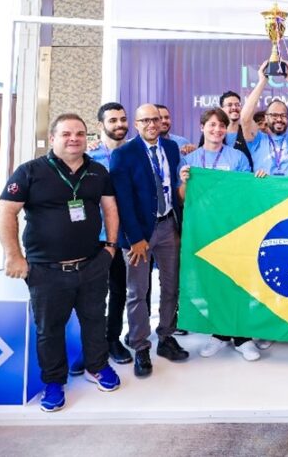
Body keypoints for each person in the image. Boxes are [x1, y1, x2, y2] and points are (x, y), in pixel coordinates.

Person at [0, 113, 121, 412]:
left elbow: (110, 209)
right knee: (50, 329)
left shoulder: (97, 171)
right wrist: (14, 256)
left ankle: (97, 366)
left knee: (95, 320)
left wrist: (111, 247)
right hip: (46, 270)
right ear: (53, 138)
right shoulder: (30, 171)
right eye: (66, 134)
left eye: (79, 133)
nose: (73, 139)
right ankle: (54, 382)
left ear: (87, 138)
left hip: (91, 264)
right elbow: (5, 212)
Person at [179, 107, 268, 361]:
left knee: (237, 280)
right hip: (204, 229)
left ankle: (242, 336)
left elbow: (246, 192)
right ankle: (219, 333)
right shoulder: (190, 160)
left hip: (233, 228)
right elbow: (182, 198)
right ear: (202, 128)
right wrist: (185, 182)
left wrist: (258, 180)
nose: (217, 130)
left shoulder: (237, 157)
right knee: (211, 281)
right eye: (212, 125)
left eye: (221, 125)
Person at [110, 103, 189, 379]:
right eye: (145, 120)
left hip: (168, 226)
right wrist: (135, 238)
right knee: (137, 291)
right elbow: (123, 200)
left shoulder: (171, 148)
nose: (152, 124)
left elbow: (173, 188)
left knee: (171, 286)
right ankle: (140, 345)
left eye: (155, 119)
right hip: (139, 234)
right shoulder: (123, 154)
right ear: (136, 124)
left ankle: (166, 336)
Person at [83, 102, 133, 367]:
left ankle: (113, 339)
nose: (119, 124)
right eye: (112, 120)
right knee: (91, 293)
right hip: (93, 236)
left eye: (122, 119)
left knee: (119, 290)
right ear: (100, 125)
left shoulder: (135, 152)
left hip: (124, 237)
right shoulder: (88, 156)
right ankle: (90, 346)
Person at [239, 61, 288, 177]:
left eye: (283, 115)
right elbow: (245, 118)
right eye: (274, 115)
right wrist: (262, 81)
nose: (279, 119)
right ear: (266, 117)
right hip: (264, 188)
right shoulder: (257, 141)